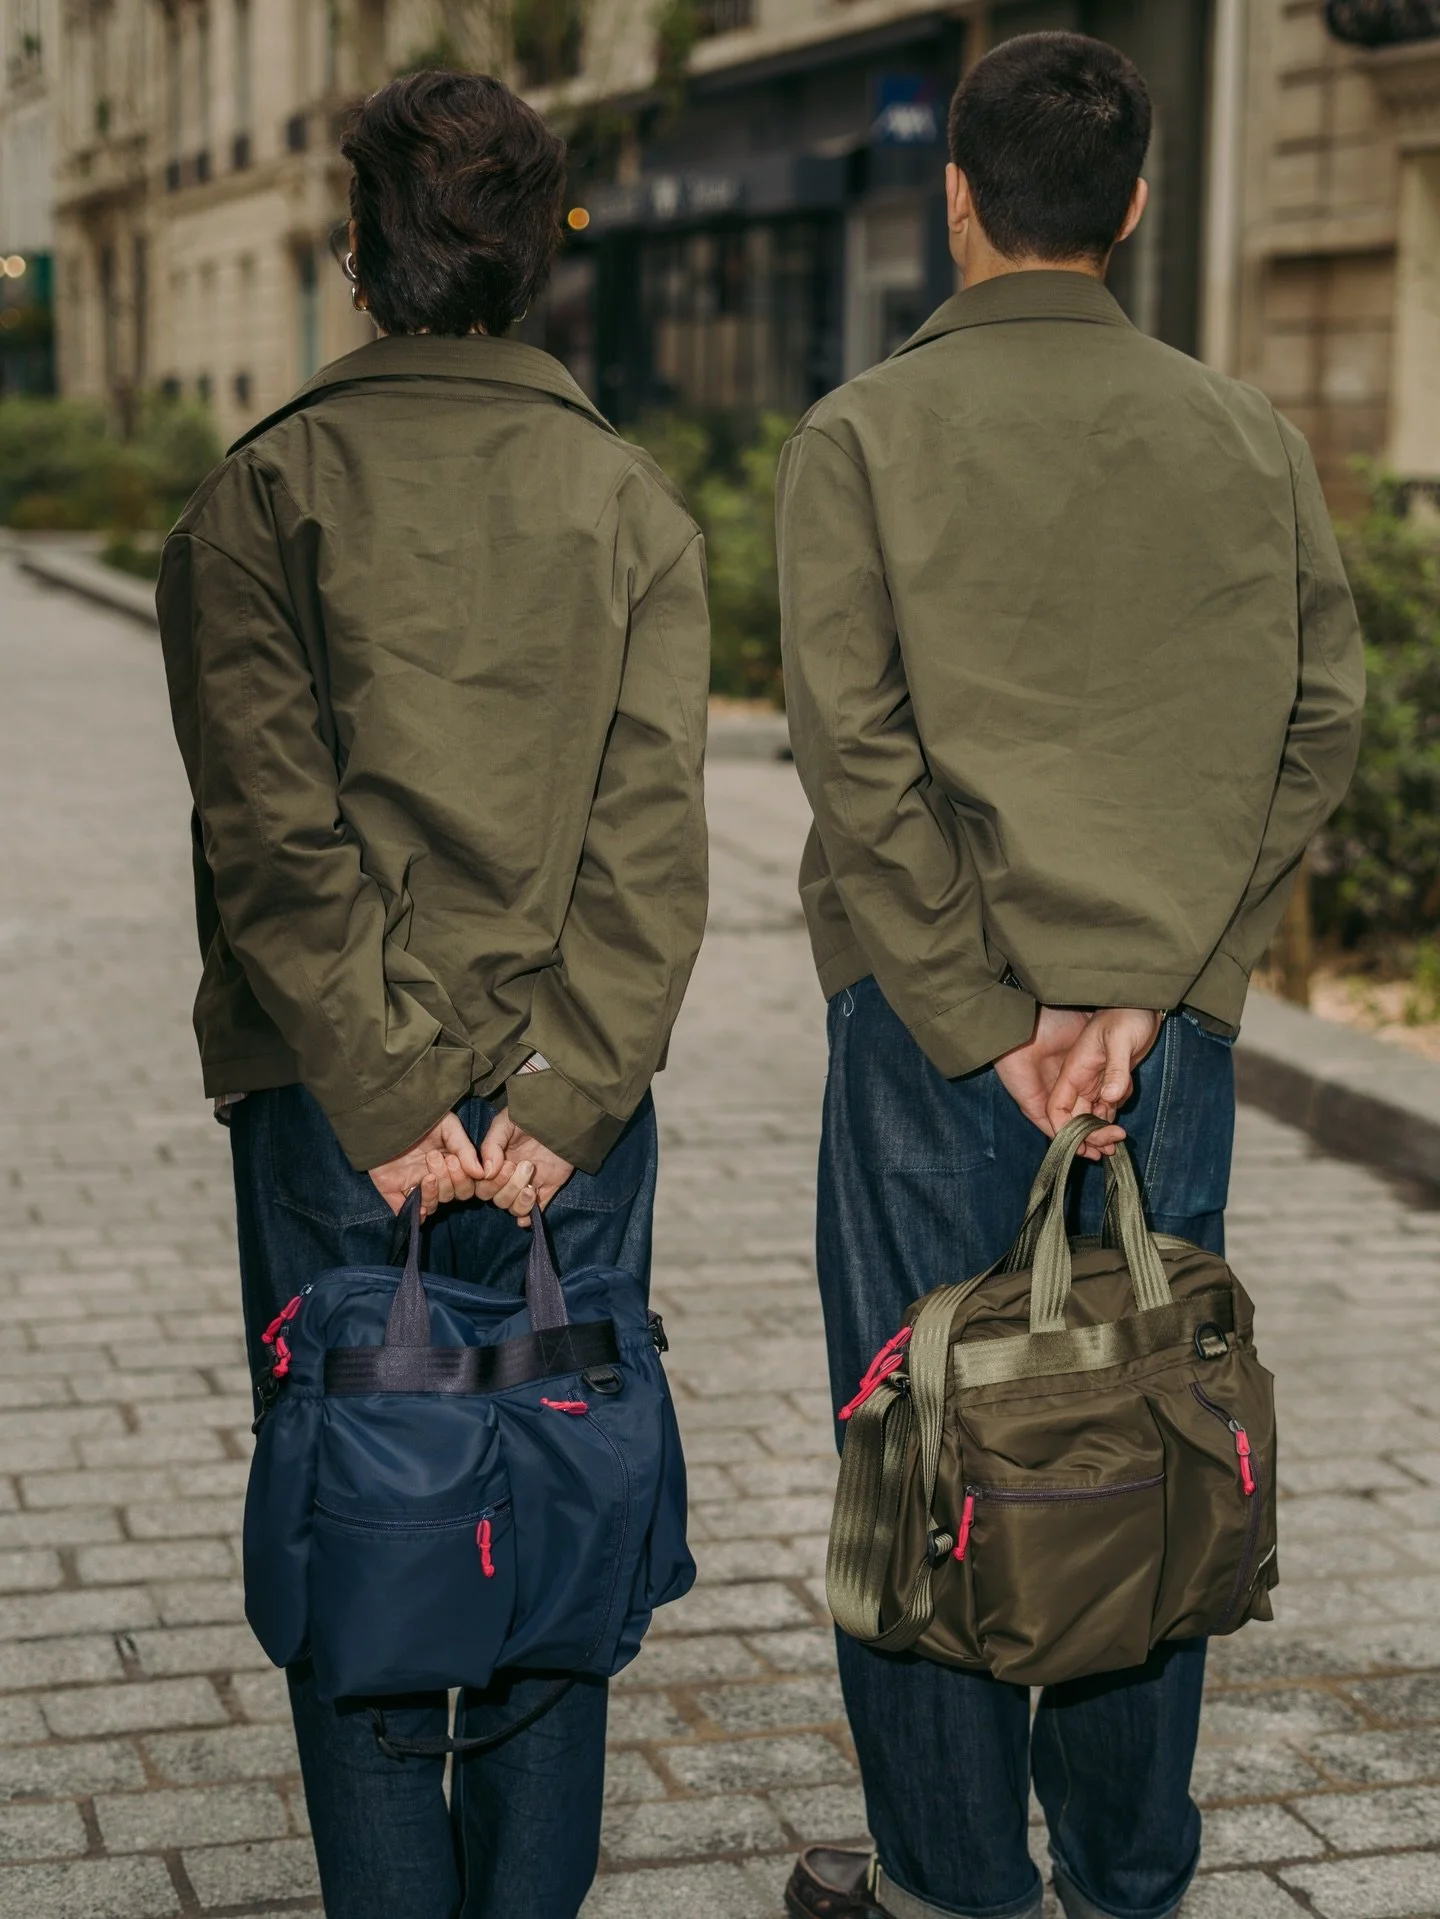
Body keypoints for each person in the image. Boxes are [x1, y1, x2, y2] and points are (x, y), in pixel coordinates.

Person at [777, 31, 1363, 1919]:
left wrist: (984, 1014)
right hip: (1161, 1036)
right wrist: (1165, 974)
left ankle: (950, 1878)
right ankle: (1125, 1869)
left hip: (932, 1033)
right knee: (1143, 1414)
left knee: (920, 1423)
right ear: (1127, 208)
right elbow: (1319, 719)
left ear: (954, 200)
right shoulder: (1250, 437)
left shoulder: (858, 437)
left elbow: (852, 750)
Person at [157, 71, 709, 1919]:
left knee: (373, 1519)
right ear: (541, 268)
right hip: (575, 1121)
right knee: (556, 1528)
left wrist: (393, 1103)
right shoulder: (631, 503)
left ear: (354, 259)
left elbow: (274, 837)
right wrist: (553, 1099)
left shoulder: (259, 495)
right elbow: (651, 847)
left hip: (335, 1123)